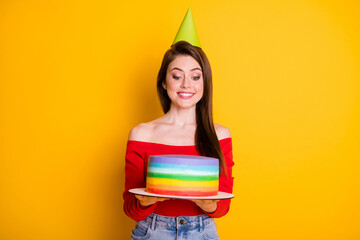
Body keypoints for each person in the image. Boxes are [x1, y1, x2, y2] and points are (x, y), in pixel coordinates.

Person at [123, 10, 234, 240]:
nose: (186, 85)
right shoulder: (142, 133)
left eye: (195, 77)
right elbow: (130, 209)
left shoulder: (219, 135)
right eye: (176, 76)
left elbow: (223, 207)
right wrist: (146, 200)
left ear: (205, 83)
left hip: (202, 232)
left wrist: (209, 204)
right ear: (164, 81)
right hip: (152, 232)